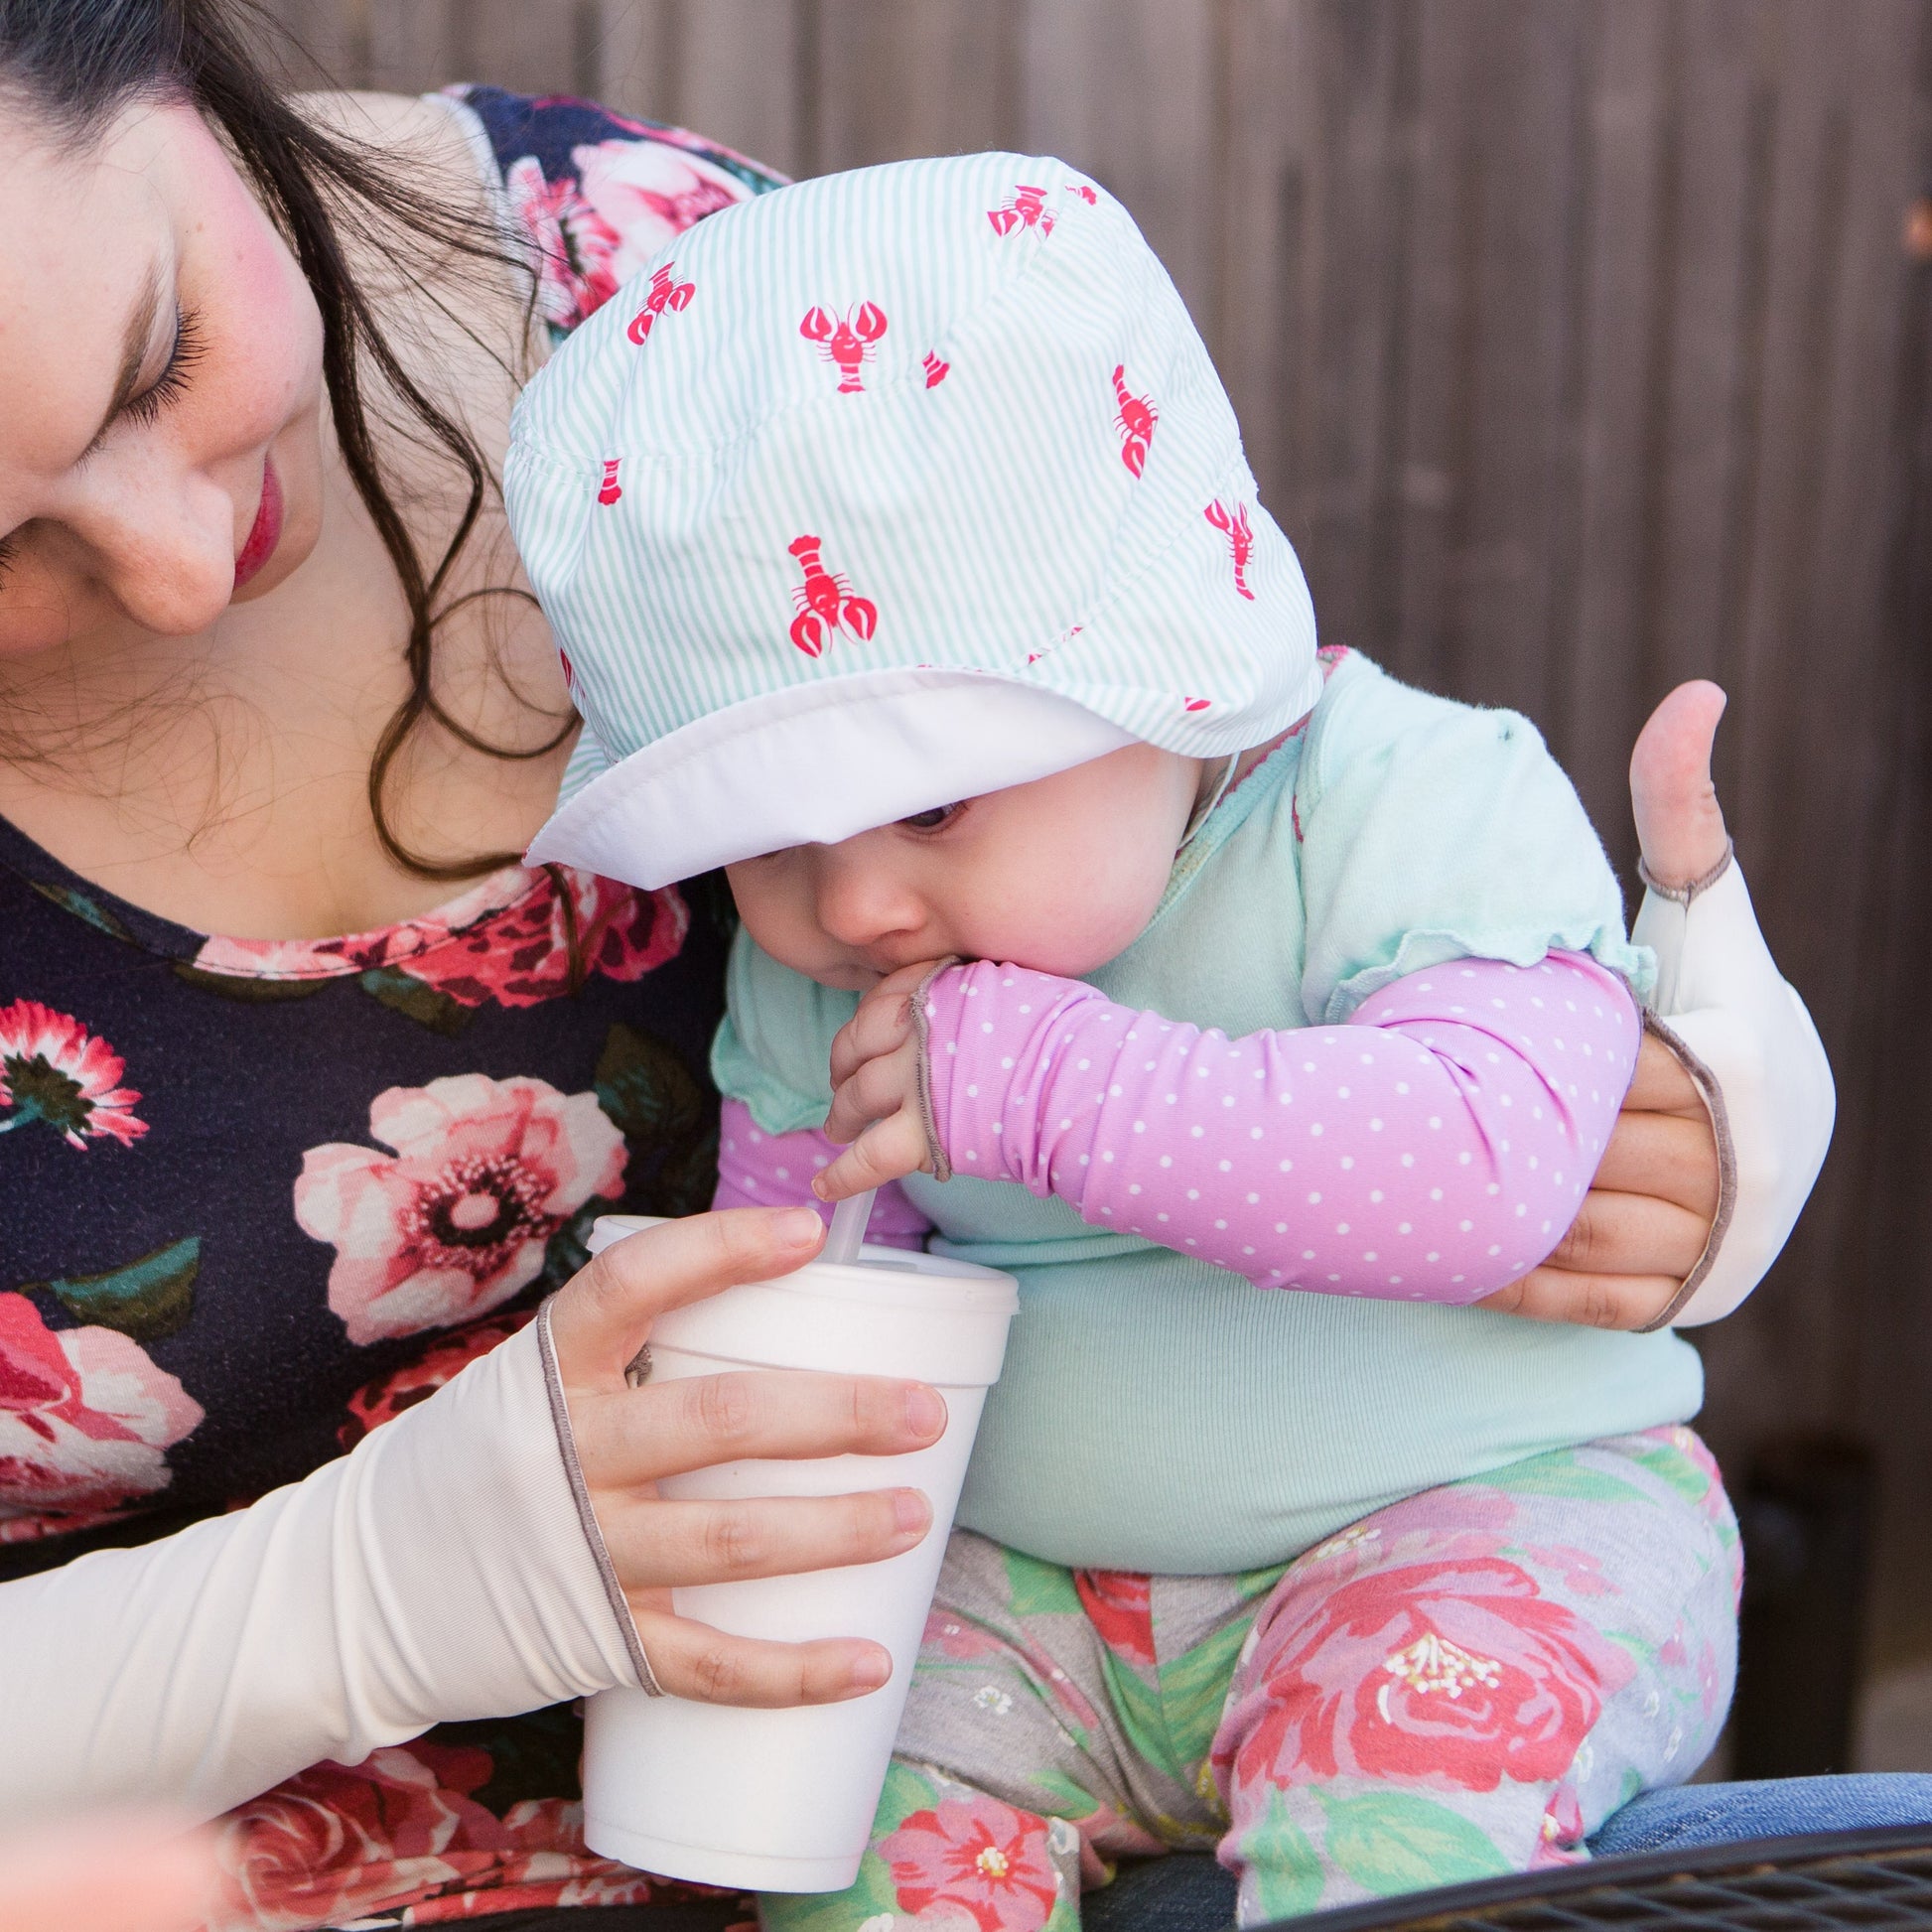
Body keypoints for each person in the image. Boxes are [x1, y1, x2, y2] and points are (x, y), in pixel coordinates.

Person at [0, 2, 1818, 1925]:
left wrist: (1682, 1114)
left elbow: (1417, 1064)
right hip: (977, 1627)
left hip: (1441, 1530)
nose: (173, 562)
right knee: (872, 1856)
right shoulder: (859, 928)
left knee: (1401, 1837)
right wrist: (368, 1586)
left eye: (159, 353)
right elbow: (809, 1259)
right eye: (1, 533)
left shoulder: (723, 339)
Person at [506, 151, 1827, 1928]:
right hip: (1034, 1605)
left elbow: (1482, 1174)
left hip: (1466, 1529)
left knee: (1401, 1813)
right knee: (830, 1801)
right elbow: (803, 1302)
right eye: (771, 836)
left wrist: (1053, 1085)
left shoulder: (1409, 801)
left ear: (1163, 664)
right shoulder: (826, 951)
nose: (859, 903)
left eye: (932, 802)